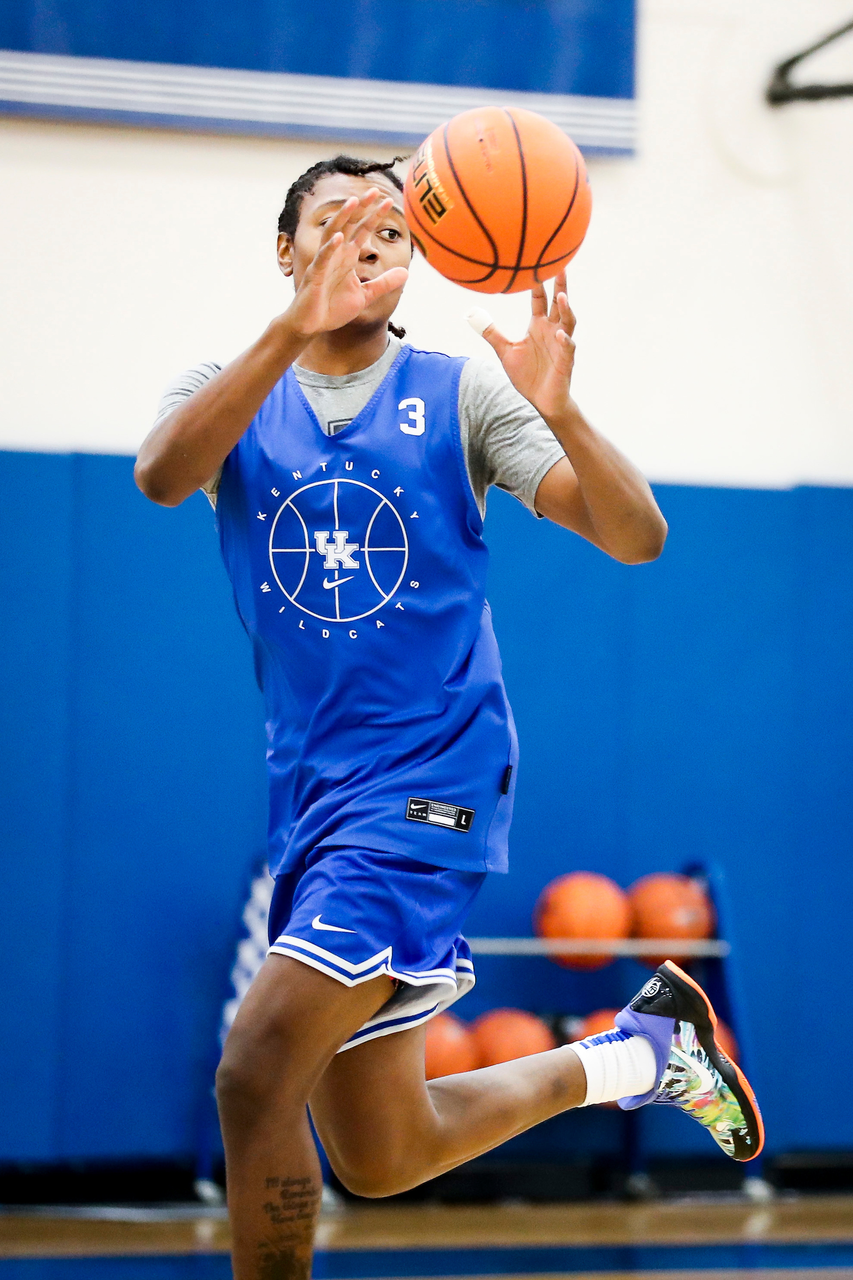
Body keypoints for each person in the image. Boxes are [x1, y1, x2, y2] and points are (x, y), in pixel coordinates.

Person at [135, 155, 763, 1280]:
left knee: (253, 1068)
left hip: (430, 777)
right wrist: (287, 332)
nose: (362, 247)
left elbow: (637, 534)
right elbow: (161, 475)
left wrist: (562, 411)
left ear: (412, 261)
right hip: (314, 796)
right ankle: (639, 1051)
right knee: (382, 1151)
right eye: (335, 226)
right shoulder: (227, 383)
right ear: (287, 251)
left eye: (387, 233)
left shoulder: (457, 391)